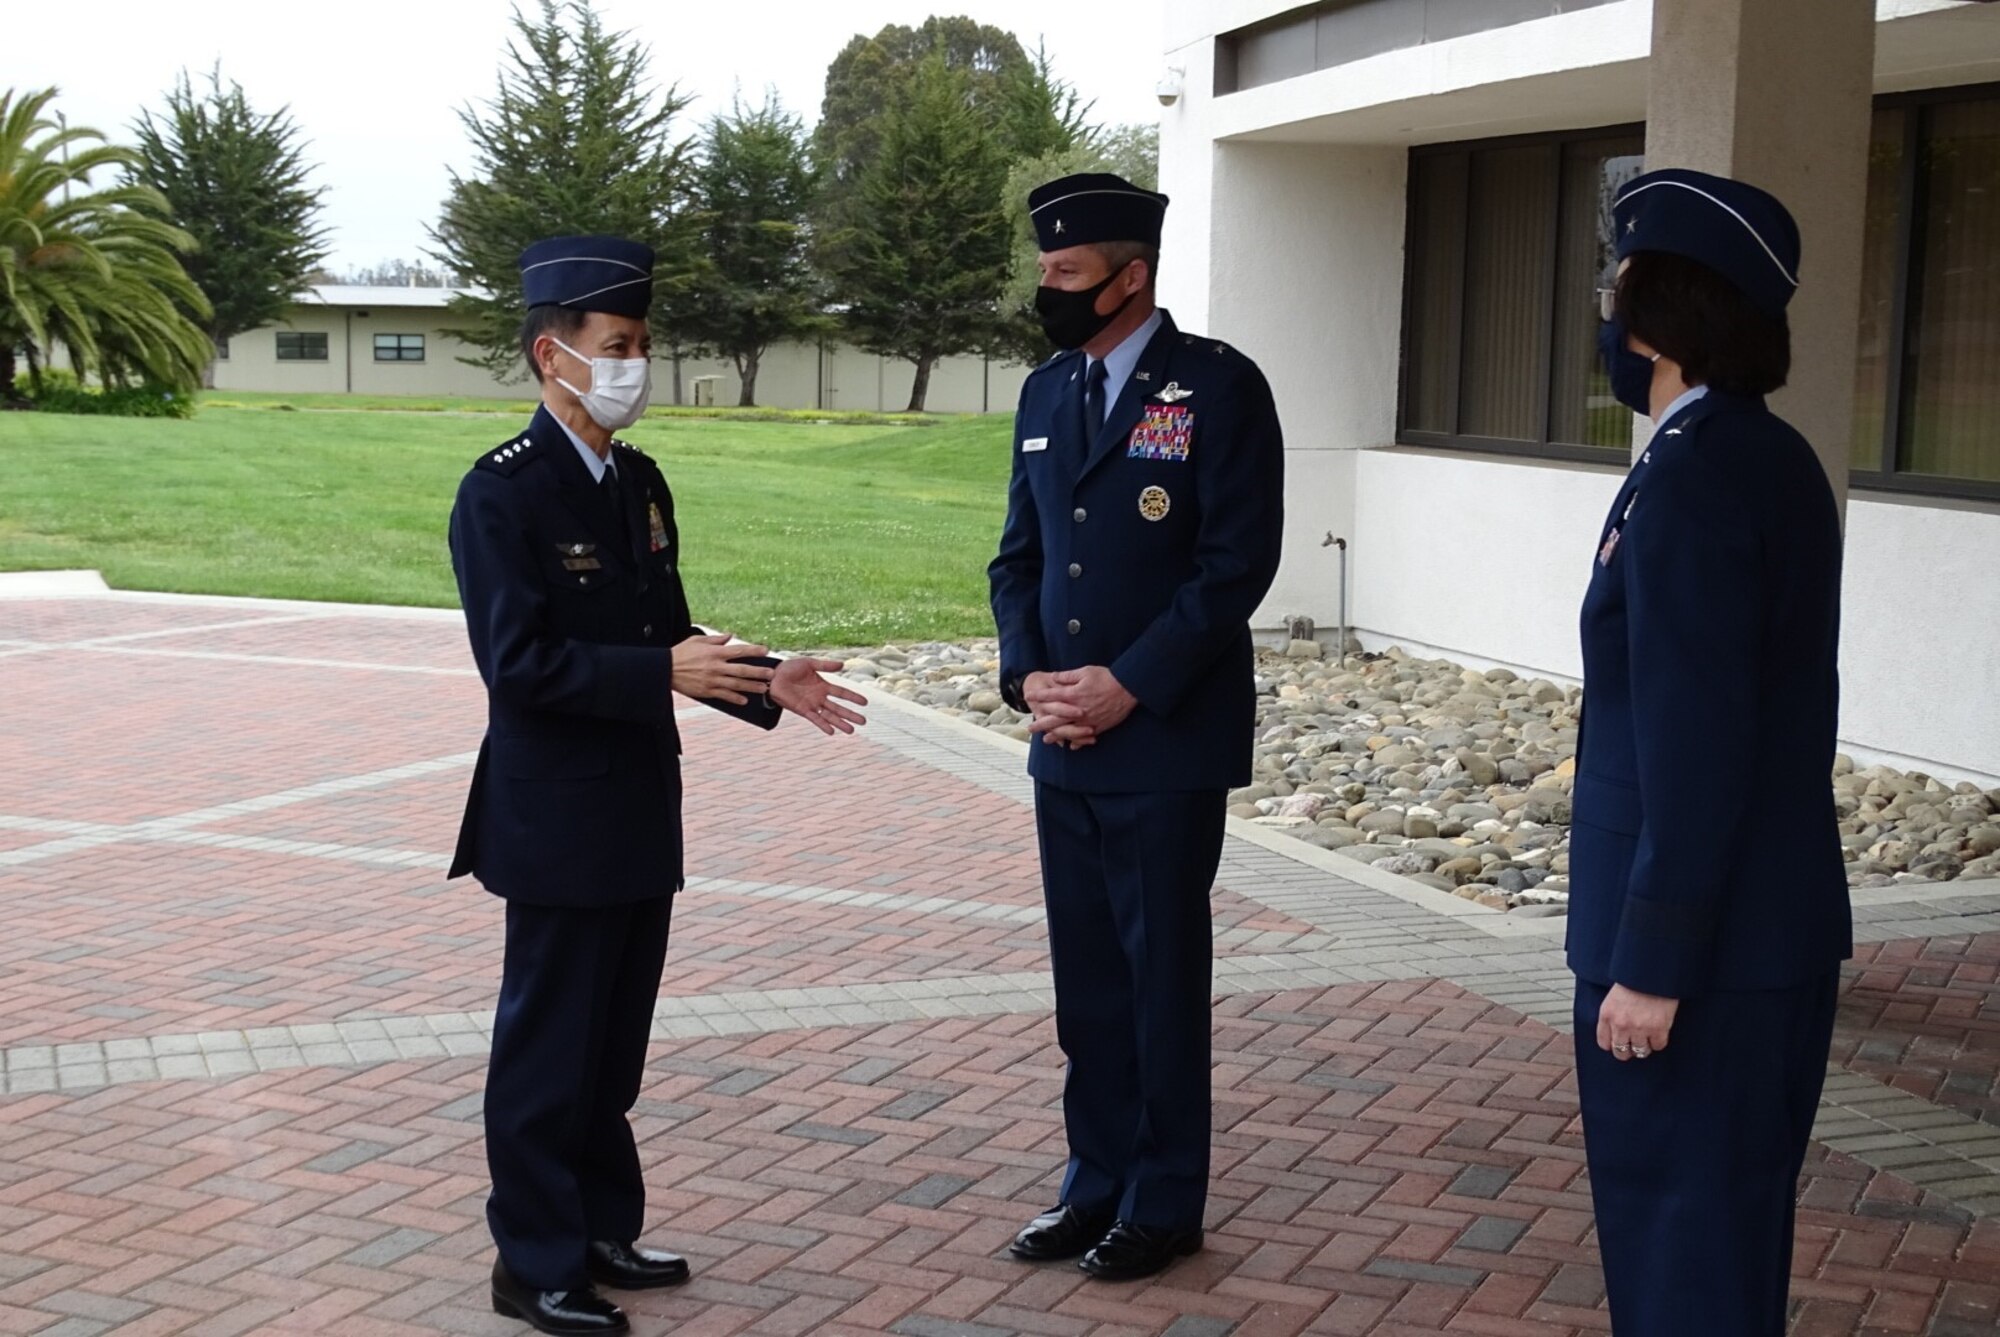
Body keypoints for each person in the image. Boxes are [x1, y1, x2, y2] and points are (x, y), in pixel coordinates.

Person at [447, 234, 866, 1336]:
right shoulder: (501, 494)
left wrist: (767, 681)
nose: (637, 364)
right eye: (617, 345)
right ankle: (531, 1261)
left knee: (610, 1043)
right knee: (546, 1051)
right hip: (551, 816)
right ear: (554, 353)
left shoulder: (637, 481)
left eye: (642, 343)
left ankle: (596, 1227)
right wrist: (660, 669)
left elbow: (662, 632)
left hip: (636, 802)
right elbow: (519, 666)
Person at [989, 173, 1284, 1282]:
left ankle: (1163, 1198)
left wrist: (1128, 683)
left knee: (1159, 976)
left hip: (1162, 740)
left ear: (1130, 276)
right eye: (1045, 272)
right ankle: (1093, 1179)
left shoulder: (1216, 387)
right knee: (1088, 984)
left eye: (1065, 275)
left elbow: (1230, 569)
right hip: (1062, 741)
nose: (1047, 291)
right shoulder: (1044, 392)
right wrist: (1031, 680)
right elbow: (1017, 558)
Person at [1569, 169, 1850, 1335]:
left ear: (1660, 318)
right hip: (1760, 936)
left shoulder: (1692, 477)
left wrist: (1651, 962)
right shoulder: (1759, 455)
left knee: (1682, 1251)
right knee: (1719, 1242)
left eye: (1616, 287)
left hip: (1710, 954)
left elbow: (1697, 741)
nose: (1604, 317)